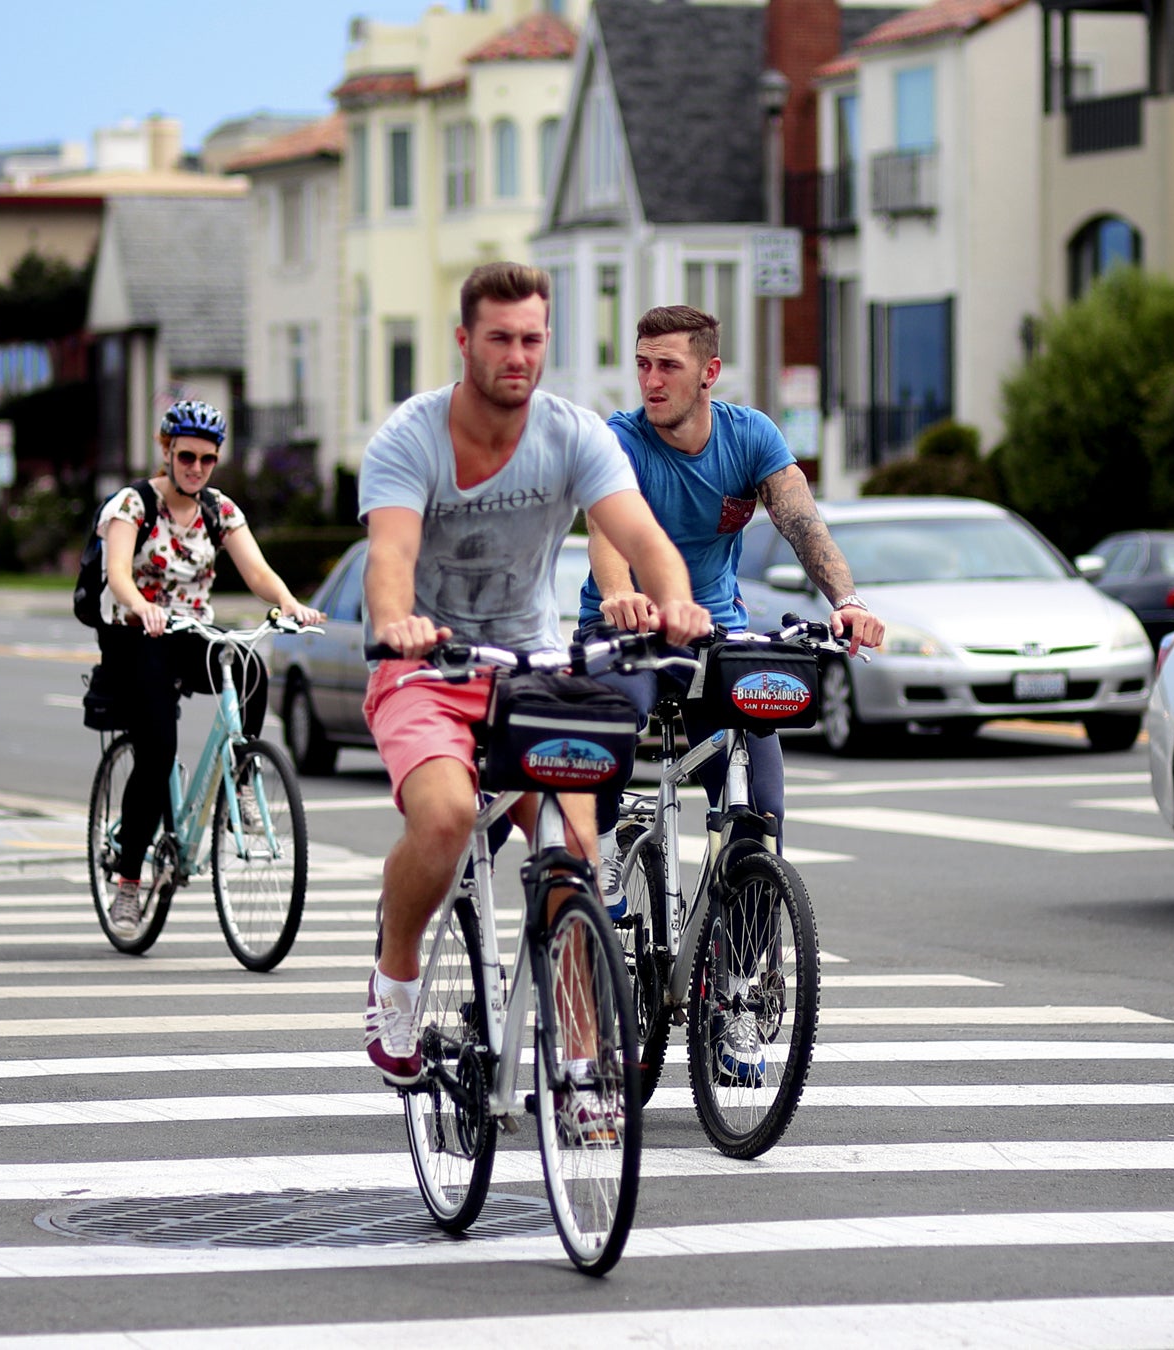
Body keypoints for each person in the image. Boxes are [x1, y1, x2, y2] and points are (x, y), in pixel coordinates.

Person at [360, 261, 706, 1087]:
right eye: (501, 339)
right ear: (464, 342)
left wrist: (678, 606)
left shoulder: (572, 433)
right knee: (443, 818)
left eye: (533, 339)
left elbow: (645, 538)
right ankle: (395, 972)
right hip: (428, 667)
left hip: (530, 666)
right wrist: (397, 623)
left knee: (574, 852)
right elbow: (390, 555)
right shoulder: (411, 437)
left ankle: (585, 1066)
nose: (519, 355)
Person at [579, 305, 885, 876]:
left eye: (667, 365)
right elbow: (605, 534)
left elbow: (805, 527)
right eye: (642, 364)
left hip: (714, 634)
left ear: (708, 372)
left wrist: (847, 603)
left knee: (760, 807)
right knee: (612, 719)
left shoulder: (750, 436)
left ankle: (741, 952)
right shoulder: (618, 441)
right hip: (627, 629)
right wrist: (619, 594)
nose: (650, 381)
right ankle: (602, 848)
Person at [94, 399, 325, 931]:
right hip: (138, 634)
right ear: (167, 452)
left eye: (207, 460)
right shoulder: (133, 505)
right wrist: (142, 605)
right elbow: (118, 574)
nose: (196, 468)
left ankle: (241, 778)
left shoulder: (219, 510)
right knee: (157, 752)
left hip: (191, 632)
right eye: (186, 457)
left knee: (249, 665)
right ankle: (129, 883)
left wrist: (288, 603)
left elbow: (257, 570)